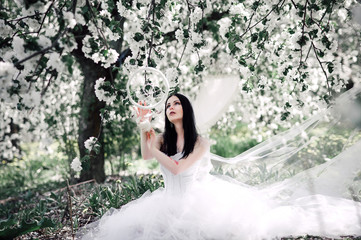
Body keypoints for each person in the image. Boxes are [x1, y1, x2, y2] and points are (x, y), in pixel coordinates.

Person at [79, 92, 361, 240]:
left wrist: (154, 146)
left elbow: (178, 169)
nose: (171, 107)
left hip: (197, 201)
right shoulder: (162, 139)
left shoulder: (201, 141)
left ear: (185, 110)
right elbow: (146, 156)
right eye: (167, 105)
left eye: (176, 103)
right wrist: (143, 128)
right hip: (167, 200)